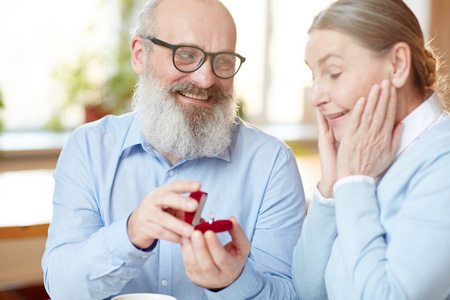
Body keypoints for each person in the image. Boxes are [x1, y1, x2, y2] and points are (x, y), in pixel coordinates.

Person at [42, 0, 306, 299]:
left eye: (223, 61)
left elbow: (289, 293)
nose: (205, 79)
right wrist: (130, 235)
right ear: (141, 55)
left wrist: (234, 282)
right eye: (186, 54)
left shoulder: (272, 163)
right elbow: (63, 288)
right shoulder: (89, 148)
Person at [292, 0, 450, 299]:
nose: (315, 97)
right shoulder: (361, 157)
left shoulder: (443, 163)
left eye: (334, 72)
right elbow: (307, 290)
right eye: (315, 76)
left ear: (397, 65)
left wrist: (354, 184)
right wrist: (332, 183)